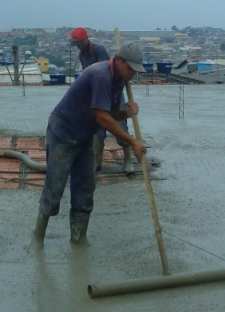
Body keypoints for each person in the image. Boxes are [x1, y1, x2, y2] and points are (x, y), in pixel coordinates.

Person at [33, 42, 147, 247]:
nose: (132, 74)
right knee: (55, 185)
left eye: (135, 71)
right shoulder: (101, 75)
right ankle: (38, 239)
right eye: (129, 68)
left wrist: (125, 113)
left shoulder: (118, 79)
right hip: (64, 133)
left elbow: (109, 114)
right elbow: (102, 118)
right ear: (118, 60)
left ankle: (78, 238)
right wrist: (132, 142)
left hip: (84, 136)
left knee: (86, 186)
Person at [70, 27, 134, 173]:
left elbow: (108, 73)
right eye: (77, 44)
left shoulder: (99, 50)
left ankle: (128, 160)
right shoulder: (82, 55)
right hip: (97, 95)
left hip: (113, 94)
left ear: (87, 39)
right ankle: (96, 163)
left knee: (120, 128)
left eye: (81, 43)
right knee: (97, 132)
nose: (80, 46)